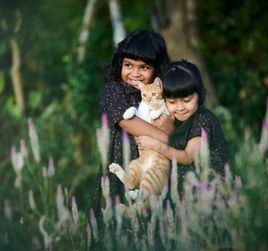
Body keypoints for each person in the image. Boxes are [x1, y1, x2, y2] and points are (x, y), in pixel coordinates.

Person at [90, 28, 172, 226]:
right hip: (120, 161)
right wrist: (164, 136)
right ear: (120, 64)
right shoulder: (114, 89)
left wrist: (167, 129)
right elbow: (127, 121)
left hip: (155, 169)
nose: (134, 73)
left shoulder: (164, 92)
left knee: (151, 223)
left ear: (157, 69)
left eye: (144, 67)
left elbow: (172, 122)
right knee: (115, 222)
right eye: (128, 65)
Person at [136, 60, 228, 194]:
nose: (180, 108)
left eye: (187, 100)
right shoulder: (175, 119)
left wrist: (156, 145)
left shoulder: (203, 120)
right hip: (183, 195)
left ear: (200, 94)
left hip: (208, 193)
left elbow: (187, 156)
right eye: (172, 102)